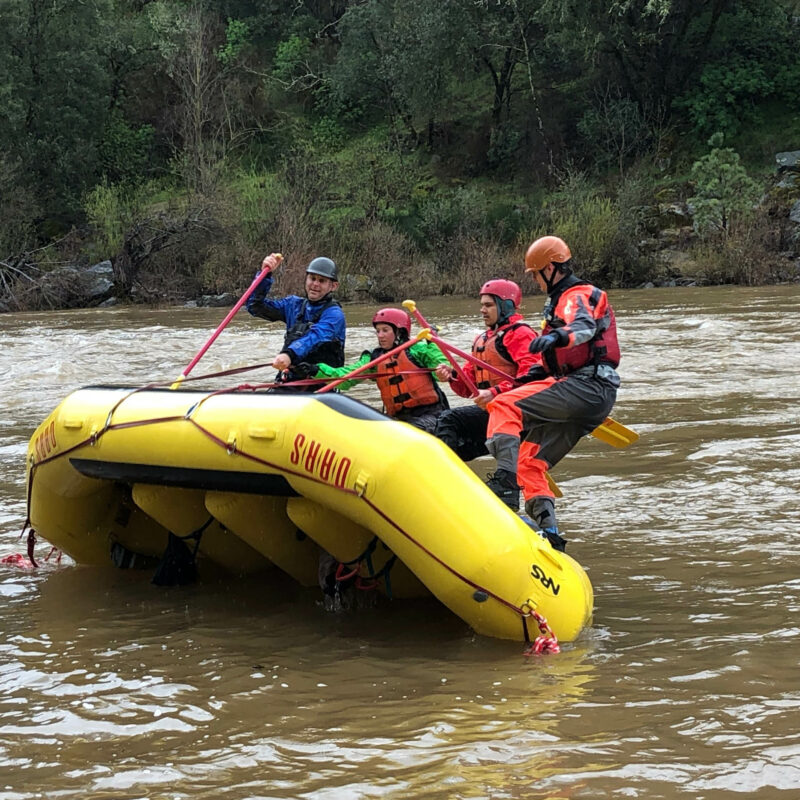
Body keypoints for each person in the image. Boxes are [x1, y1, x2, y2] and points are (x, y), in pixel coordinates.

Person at [484, 236, 621, 551]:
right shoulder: (559, 302)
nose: (533, 279)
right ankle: (551, 534)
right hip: (589, 396)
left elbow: (583, 327)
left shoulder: (578, 295)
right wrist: (537, 371)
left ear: (550, 268)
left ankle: (505, 488)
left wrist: (558, 337)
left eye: (535, 273)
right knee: (530, 462)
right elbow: (562, 356)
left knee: (504, 406)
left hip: (586, 387)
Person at [434, 280, 539, 508]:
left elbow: (533, 378)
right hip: (494, 416)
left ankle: (505, 495)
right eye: (482, 304)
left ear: (506, 306)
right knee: (451, 435)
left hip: (520, 417)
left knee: (449, 420)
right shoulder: (482, 340)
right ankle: (451, 488)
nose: (482, 310)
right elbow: (468, 387)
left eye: (489, 305)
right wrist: (452, 376)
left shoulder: (521, 335)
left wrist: (495, 392)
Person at [314, 308, 452, 433]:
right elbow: (345, 379)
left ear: (400, 332)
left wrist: (442, 370)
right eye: (378, 331)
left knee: (406, 431)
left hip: (432, 416)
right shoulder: (374, 358)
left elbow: (440, 363)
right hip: (399, 419)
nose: (380, 335)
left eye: (385, 330)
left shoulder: (418, 349)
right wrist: (316, 370)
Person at [246, 253, 346, 387]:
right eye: (312, 278)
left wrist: (289, 354)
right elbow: (255, 307)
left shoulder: (335, 315)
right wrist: (264, 276)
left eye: (321, 281)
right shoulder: (293, 305)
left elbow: (315, 337)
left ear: (333, 286)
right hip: (290, 380)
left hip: (321, 385)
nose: (315, 284)